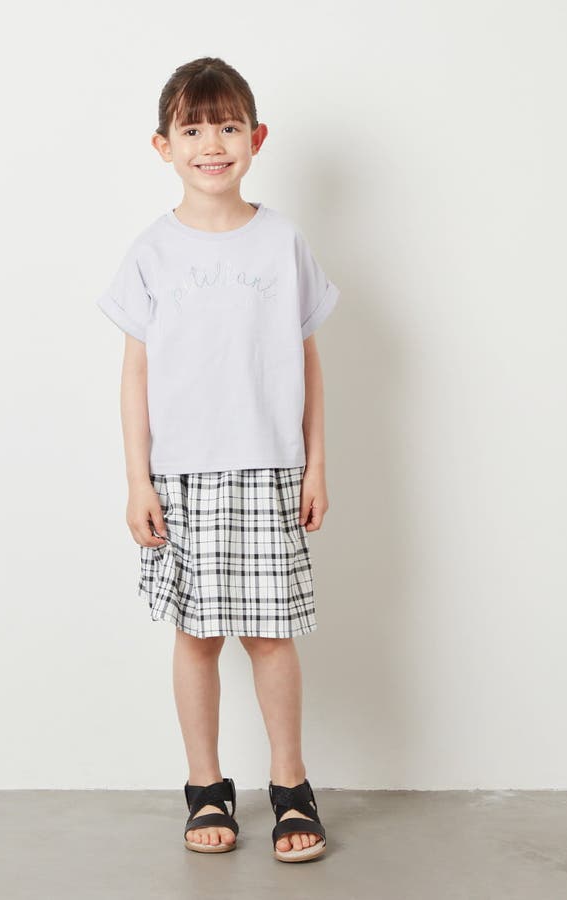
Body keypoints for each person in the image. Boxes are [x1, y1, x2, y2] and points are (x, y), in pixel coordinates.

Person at [95, 57, 339, 863]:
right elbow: (135, 375)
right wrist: (138, 480)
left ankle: (291, 784)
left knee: (271, 634)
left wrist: (315, 464)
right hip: (184, 475)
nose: (212, 144)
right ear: (163, 146)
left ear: (256, 139)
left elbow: (307, 360)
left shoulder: (282, 241)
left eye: (228, 126)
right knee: (196, 637)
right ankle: (206, 784)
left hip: (268, 467)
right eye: (193, 129)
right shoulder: (151, 252)